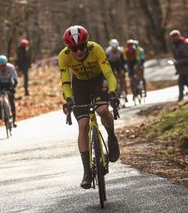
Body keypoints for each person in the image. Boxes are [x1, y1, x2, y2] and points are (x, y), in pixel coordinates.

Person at [59, 25, 120, 189]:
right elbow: (65, 82)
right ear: (68, 48)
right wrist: (69, 98)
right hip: (79, 86)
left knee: (102, 110)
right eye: (73, 48)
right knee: (83, 124)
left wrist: (112, 93)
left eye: (81, 46)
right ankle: (86, 171)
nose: (78, 51)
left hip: (98, 81)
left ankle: (112, 137)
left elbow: (109, 74)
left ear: (86, 43)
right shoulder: (63, 57)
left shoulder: (96, 49)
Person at [0, 55, 18, 127]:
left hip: (9, 83)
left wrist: (13, 88)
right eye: (0, 66)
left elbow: (15, 80)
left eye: (3, 65)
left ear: (6, 63)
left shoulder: (11, 67)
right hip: (0, 84)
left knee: (11, 99)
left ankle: (14, 120)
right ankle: (1, 108)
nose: (2, 67)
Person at [169, 30, 188, 102]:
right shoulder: (175, 45)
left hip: (186, 66)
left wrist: (178, 62)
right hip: (181, 67)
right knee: (185, 82)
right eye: (171, 38)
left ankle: (181, 97)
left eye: (173, 37)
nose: (172, 39)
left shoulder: (183, 44)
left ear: (177, 36)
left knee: (181, 81)